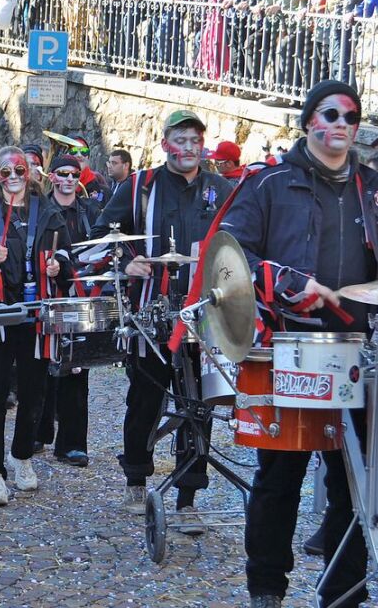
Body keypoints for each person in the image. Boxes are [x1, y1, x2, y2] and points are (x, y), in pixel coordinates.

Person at [220, 80, 378, 608]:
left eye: (351, 116)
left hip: (357, 345)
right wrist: (293, 285)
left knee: (353, 482)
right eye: (330, 113)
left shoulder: (372, 188)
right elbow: (231, 255)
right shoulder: (269, 183)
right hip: (292, 343)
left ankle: (345, 593)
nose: (341, 123)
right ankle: (267, 588)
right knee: (281, 475)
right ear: (307, 122)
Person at [89, 109, 231, 527]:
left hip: (204, 317)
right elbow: (102, 235)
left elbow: (240, 243)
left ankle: (188, 499)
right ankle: (136, 476)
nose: (188, 148)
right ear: (165, 143)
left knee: (199, 404)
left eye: (195, 141)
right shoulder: (138, 187)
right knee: (144, 400)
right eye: (180, 140)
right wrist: (128, 260)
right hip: (149, 315)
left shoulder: (221, 189)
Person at [0, 146, 72, 507]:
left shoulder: (48, 211)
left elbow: (67, 255)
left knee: (34, 393)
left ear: (30, 172)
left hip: (35, 313)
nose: (12, 178)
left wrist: (58, 268)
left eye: (18, 170)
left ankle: (21, 455)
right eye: (4, 172)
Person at [35, 155, 102, 467]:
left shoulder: (90, 212)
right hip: (47, 294)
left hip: (79, 295)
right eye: (63, 173)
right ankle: (38, 432)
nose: (69, 179)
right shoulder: (40, 210)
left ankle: (73, 444)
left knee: (77, 369)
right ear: (52, 176)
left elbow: (103, 248)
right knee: (42, 367)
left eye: (75, 174)